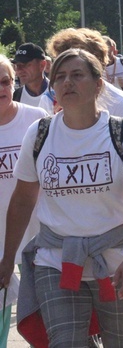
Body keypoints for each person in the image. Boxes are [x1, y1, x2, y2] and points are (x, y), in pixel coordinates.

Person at [0, 48, 123, 346]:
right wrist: (7, 258)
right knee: (64, 342)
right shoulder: (39, 135)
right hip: (56, 260)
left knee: (121, 342)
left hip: (116, 261)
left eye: (77, 75)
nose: (67, 83)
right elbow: (23, 200)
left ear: (98, 84)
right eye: (60, 77)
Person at [0, 55, 47, 345]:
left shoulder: (36, 120)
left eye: (5, 81)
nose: (0, 89)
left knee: (41, 319)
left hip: (37, 236)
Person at [42, 28, 123, 124]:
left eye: (76, 74)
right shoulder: (49, 100)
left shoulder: (121, 105)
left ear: (96, 64)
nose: (67, 81)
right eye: (61, 71)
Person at [11, 43, 49, 107]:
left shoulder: (58, 93)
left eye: (25, 64)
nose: (19, 70)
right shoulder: (15, 97)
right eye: (17, 65)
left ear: (42, 65)